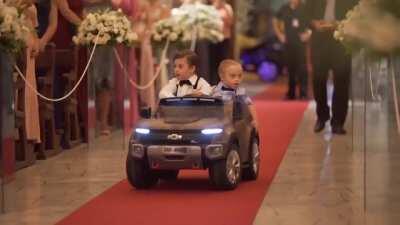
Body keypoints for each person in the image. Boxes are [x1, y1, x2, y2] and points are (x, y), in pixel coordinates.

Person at [303, 0, 358, 134]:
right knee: (318, 79)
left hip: (341, 43)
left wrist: (340, 24)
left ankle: (338, 122)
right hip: (320, 43)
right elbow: (304, 15)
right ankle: (322, 116)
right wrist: (314, 23)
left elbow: (357, 16)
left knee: (341, 79)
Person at [273, 0, 308, 100]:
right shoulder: (284, 8)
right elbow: (275, 20)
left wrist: (309, 33)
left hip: (301, 42)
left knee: (302, 68)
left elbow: (312, 21)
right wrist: (280, 35)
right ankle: (291, 93)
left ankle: (303, 93)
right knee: (290, 68)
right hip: (288, 42)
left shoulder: (304, 7)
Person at [212, 59, 258, 130]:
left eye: (240, 76)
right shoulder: (217, 92)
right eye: (232, 76)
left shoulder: (241, 91)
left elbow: (250, 105)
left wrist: (254, 120)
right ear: (222, 77)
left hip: (239, 122)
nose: (237, 79)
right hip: (222, 123)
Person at [209, 0, 234, 85]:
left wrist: (224, 9)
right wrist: (215, 8)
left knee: (223, 61)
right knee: (213, 61)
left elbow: (230, 22)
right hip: (213, 39)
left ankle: (224, 82)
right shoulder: (211, 8)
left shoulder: (227, 7)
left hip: (224, 38)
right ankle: (213, 82)